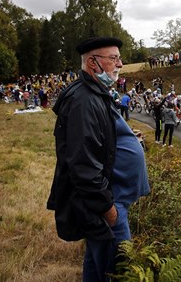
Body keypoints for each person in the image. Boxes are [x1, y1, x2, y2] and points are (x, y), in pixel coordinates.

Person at [47, 37, 150, 282]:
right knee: (115, 271)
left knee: (96, 263)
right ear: (93, 63)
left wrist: (125, 138)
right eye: (113, 58)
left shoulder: (94, 92)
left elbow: (97, 139)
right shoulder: (85, 101)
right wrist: (108, 210)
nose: (120, 64)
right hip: (108, 204)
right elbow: (83, 165)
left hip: (112, 200)